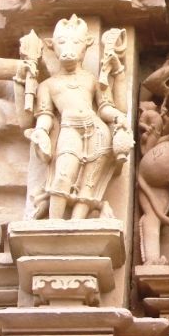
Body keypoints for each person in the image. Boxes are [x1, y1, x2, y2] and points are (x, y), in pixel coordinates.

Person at [27, 15, 132, 220]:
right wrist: (40, 131)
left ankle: (78, 223)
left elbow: (105, 107)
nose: (69, 49)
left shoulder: (91, 79)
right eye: (62, 42)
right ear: (51, 46)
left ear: (86, 46)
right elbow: (45, 115)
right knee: (62, 175)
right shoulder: (47, 85)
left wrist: (117, 117)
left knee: (89, 184)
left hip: (97, 131)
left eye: (76, 42)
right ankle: (54, 223)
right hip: (69, 130)